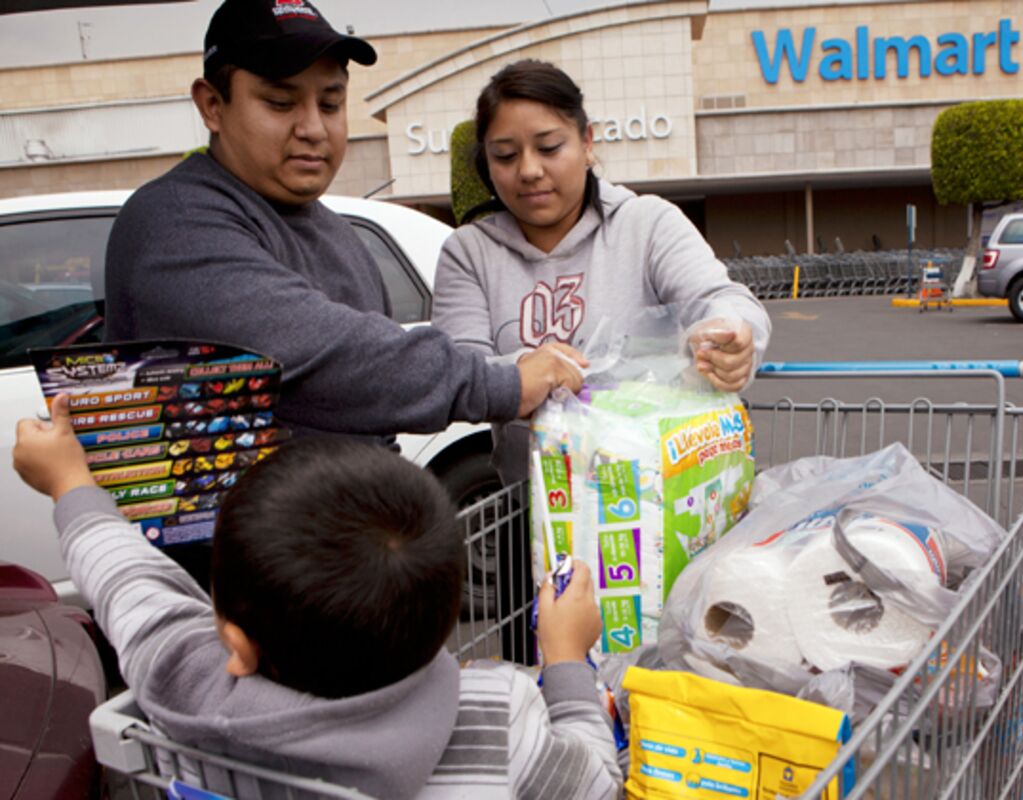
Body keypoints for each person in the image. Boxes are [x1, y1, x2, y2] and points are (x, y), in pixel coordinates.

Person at [13, 394, 620, 799]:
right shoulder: (494, 713)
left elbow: (129, 582)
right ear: (443, 625)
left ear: (236, 645)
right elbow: (596, 784)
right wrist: (564, 660)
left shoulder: (184, 681)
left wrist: (71, 482)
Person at [104, 0, 585, 442]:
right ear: (212, 105)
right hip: (235, 535)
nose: (313, 129)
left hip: (346, 528)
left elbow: (371, 418)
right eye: (280, 102)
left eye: (330, 104)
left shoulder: (342, 238)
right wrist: (502, 382)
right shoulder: (174, 221)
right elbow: (316, 352)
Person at [432, 59, 772, 484]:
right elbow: (458, 369)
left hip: (657, 498)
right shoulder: (469, 253)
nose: (529, 170)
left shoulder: (646, 224)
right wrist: (523, 368)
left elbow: (726, 300)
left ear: (587, 142)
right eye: (505, 155)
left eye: (549, 147)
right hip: (537, 512)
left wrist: (732, 335)